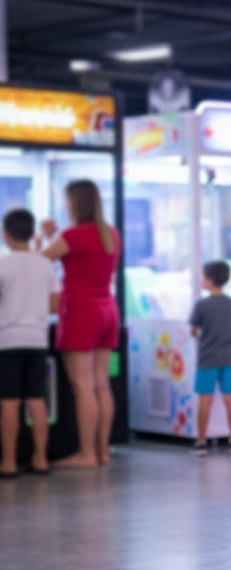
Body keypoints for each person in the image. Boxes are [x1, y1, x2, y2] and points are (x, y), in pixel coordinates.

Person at [40, 180, 121, 468]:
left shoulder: (72, 235)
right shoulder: (110, 234)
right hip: (107, 309)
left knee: (82, 387)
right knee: (102, 384)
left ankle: (85, 454)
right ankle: (103, 451)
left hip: (80, 310)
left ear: (73, 203)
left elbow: (39, 262)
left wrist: (43, 237)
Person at [0, 209, 59, 477]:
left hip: (7, 340)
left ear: (6, 235)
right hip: (37, 339)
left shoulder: (3, 264)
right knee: (37, 401)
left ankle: (9, 463)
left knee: (9, 402)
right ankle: (41, 460)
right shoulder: (44, 264)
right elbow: (55, 303)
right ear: (31, 232)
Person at [188, 260, 231, 457]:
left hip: (207, 358)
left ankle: (201, 441)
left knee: (205, 400)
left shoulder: (202, 305)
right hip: (228, 356)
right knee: (230, 399)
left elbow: (194, 330)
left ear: (209, 280)